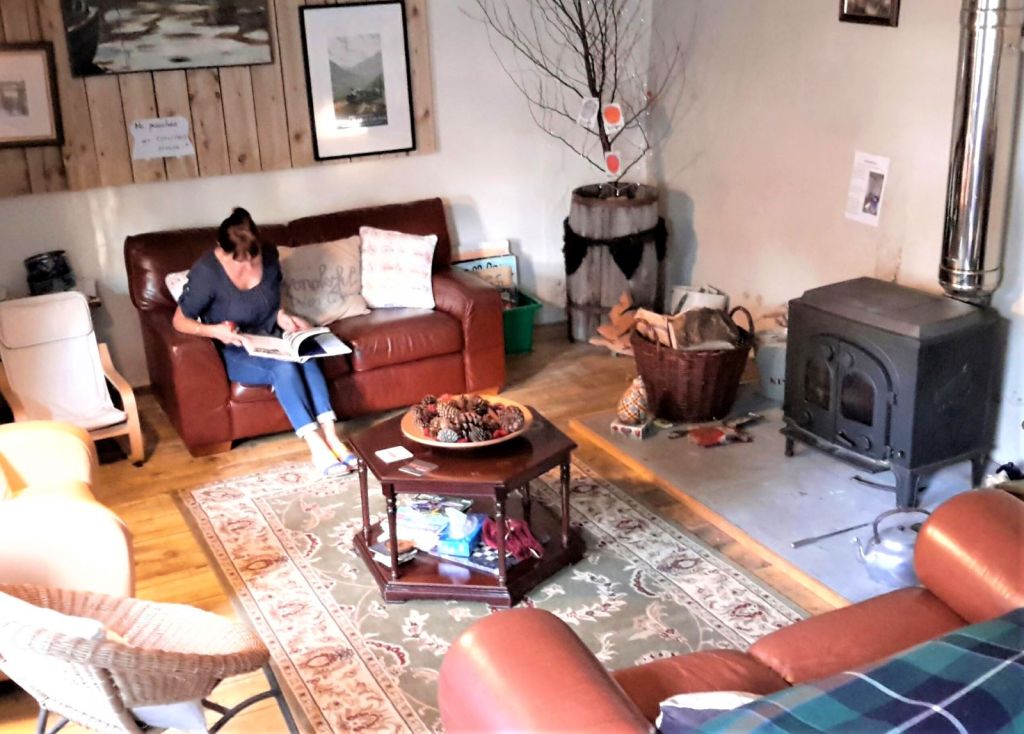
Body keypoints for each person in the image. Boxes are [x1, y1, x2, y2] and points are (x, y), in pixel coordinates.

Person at [172, 207, 356, 476]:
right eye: (240, 260)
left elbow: (273, 300)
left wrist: (283, 317)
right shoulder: (207, 272)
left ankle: (333, 439)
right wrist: (215, 331)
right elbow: (179, 321)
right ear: (221, 248)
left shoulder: (269, 254)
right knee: (284, 367)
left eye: (253, 256)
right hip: (236, 348)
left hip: (273, 337)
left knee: (307, 356)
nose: (248, 265)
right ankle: (317, 447)